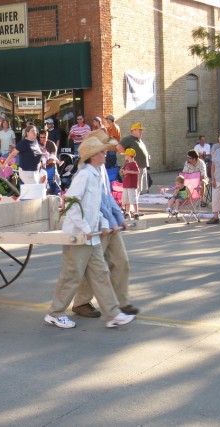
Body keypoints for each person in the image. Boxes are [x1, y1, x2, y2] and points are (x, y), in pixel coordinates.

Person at [44, 134, 135, 329]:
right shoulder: (84, 175)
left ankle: (113, 314)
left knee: (101, 273)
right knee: (72, 275)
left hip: (91, 235)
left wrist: (103, 223)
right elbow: (72, 203)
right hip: (78, 235)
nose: (105, 155)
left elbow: (97, 205)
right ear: (93, 156)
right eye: (101, 152)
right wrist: (85, 229)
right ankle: (55, 313)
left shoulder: (95, 173)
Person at [71, 130, 140, 319]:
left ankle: (121, 302)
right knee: (94, 267)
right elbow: (87, 203)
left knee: (121, 261)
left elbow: (107, 196)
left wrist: (119, 218)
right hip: (97, 226)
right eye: (104, 148)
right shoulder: (85, 171)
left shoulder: (100, 167)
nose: (108, 150)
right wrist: (107, 223)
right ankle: (81, 302)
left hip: (109, 223)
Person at [117, 123, 150, 194]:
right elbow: (119, 147)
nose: (141, 132)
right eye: (139, 130)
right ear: (133, 130)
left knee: (143, 187)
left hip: (143, 166)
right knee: (137, 186)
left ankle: (142, 196)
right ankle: (137, 197)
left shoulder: (138, 140)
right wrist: (127, 155)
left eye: (141, 130)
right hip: (136, 166)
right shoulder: (129, 139)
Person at [207, 133, 220, 224]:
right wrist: (213, 179)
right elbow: (213, 166)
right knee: (215, 198)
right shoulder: (217, 152)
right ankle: (215, 217)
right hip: (217, 179)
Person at [120, 148, 139, 219]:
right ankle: (127, 212)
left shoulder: (134, 164)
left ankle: (136, 213)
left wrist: (128, 172)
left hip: (131, 185)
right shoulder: (126, 164)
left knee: (133, 199)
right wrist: (122, 171)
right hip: (126, 184)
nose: (124, 156)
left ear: (129, 155)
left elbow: (137, 172)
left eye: (125, 155)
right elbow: (123, 171)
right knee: (126, 199)